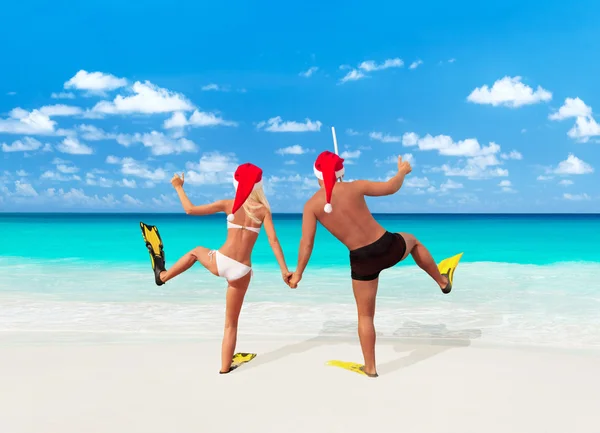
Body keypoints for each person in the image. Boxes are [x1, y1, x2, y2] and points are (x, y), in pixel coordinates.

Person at [286, 150, 461, 378]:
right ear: (340, 172)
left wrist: (298, 273)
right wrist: (402, 172)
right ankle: (441, 281)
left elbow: (306, 244)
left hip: (361, 260)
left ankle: (370, 368)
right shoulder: (355, 186)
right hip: (386, 246)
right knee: (414, 242)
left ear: (316, 175)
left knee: (365, 317)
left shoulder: (312, 206)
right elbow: (391, 187)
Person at [140, 162, 291, 374]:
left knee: (196, 251)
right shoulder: (263, 210)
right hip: (242, 271)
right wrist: (284, 271)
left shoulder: (229, 204)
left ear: (236, 183)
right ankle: (224, 368)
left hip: (220, 261)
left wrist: (178, 186)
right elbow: (274, 241)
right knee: (231, 324)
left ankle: (163, 276)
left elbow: (190, 210)